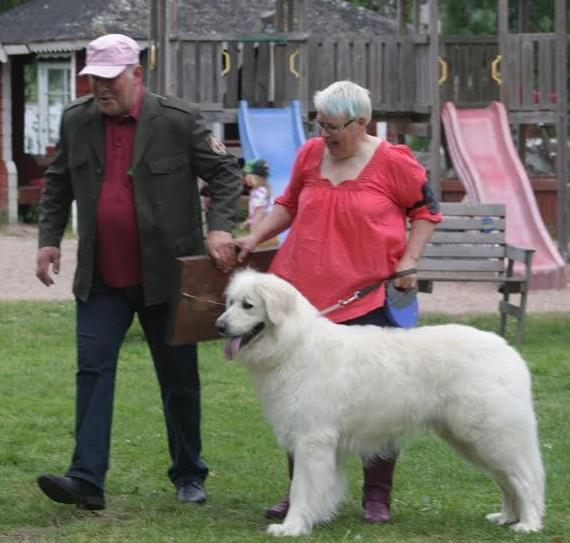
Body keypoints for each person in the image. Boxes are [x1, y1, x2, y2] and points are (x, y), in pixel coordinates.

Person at [35, 34, 243, 510]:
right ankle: (86, 479)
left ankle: (189, 474)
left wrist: (220, 228)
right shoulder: (77, 120)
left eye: (110, 79)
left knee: (179, 381)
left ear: (136, 74)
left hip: (167, 280)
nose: (101, 88)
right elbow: (58, 181)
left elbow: (226, 173)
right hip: (101, 277)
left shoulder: (178, 120)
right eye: (94, 79)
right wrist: (48, 239)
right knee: (92, 371)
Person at [236, 80, 442, 524]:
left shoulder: (394, 162)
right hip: (303, 301)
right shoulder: (310, 153)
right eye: (320, 123)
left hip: (366, 297)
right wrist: (254, 235)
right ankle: (301, 497)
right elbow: (288, 202)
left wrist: (408, 260)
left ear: (362, 122)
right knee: (301, 404)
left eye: (333, 127)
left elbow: (426, 212)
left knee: (379, 398)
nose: (325, 134)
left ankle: (377, 496)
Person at [239, 159, 274, 233]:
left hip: (262, 230)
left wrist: (254, 233)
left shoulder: (259, 193)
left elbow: (260, 212)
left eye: (245, 175)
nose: (244, 178)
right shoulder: (264, 190)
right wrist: (249, 220)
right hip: (268, 227)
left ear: (252, 177)